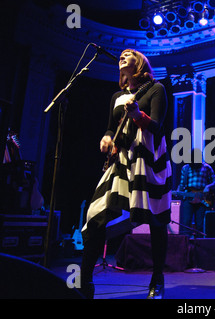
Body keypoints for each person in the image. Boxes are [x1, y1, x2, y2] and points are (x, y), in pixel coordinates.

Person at [80, 49, 172, 299]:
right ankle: (85, 282)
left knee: (156, 221)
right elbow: (111, 128)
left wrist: (137, 114)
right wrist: (106, 137)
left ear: (139, 62)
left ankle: (157, 280)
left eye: (129, 54)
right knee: (96, 215)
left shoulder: (156, 89)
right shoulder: (117, 96)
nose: (123, 56)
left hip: (148, 159)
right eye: (121, 54)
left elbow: (156, 126)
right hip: (121, 160)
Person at [177, 148, 215, 237]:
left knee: (200, 225)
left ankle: (200, 244)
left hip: (202, 199)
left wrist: (208, 186)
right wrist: (178, 191)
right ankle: (186, 245)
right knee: (186, 224)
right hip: (188, 199)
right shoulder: (185, 168)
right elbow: (181, 185)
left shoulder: (207, 167)